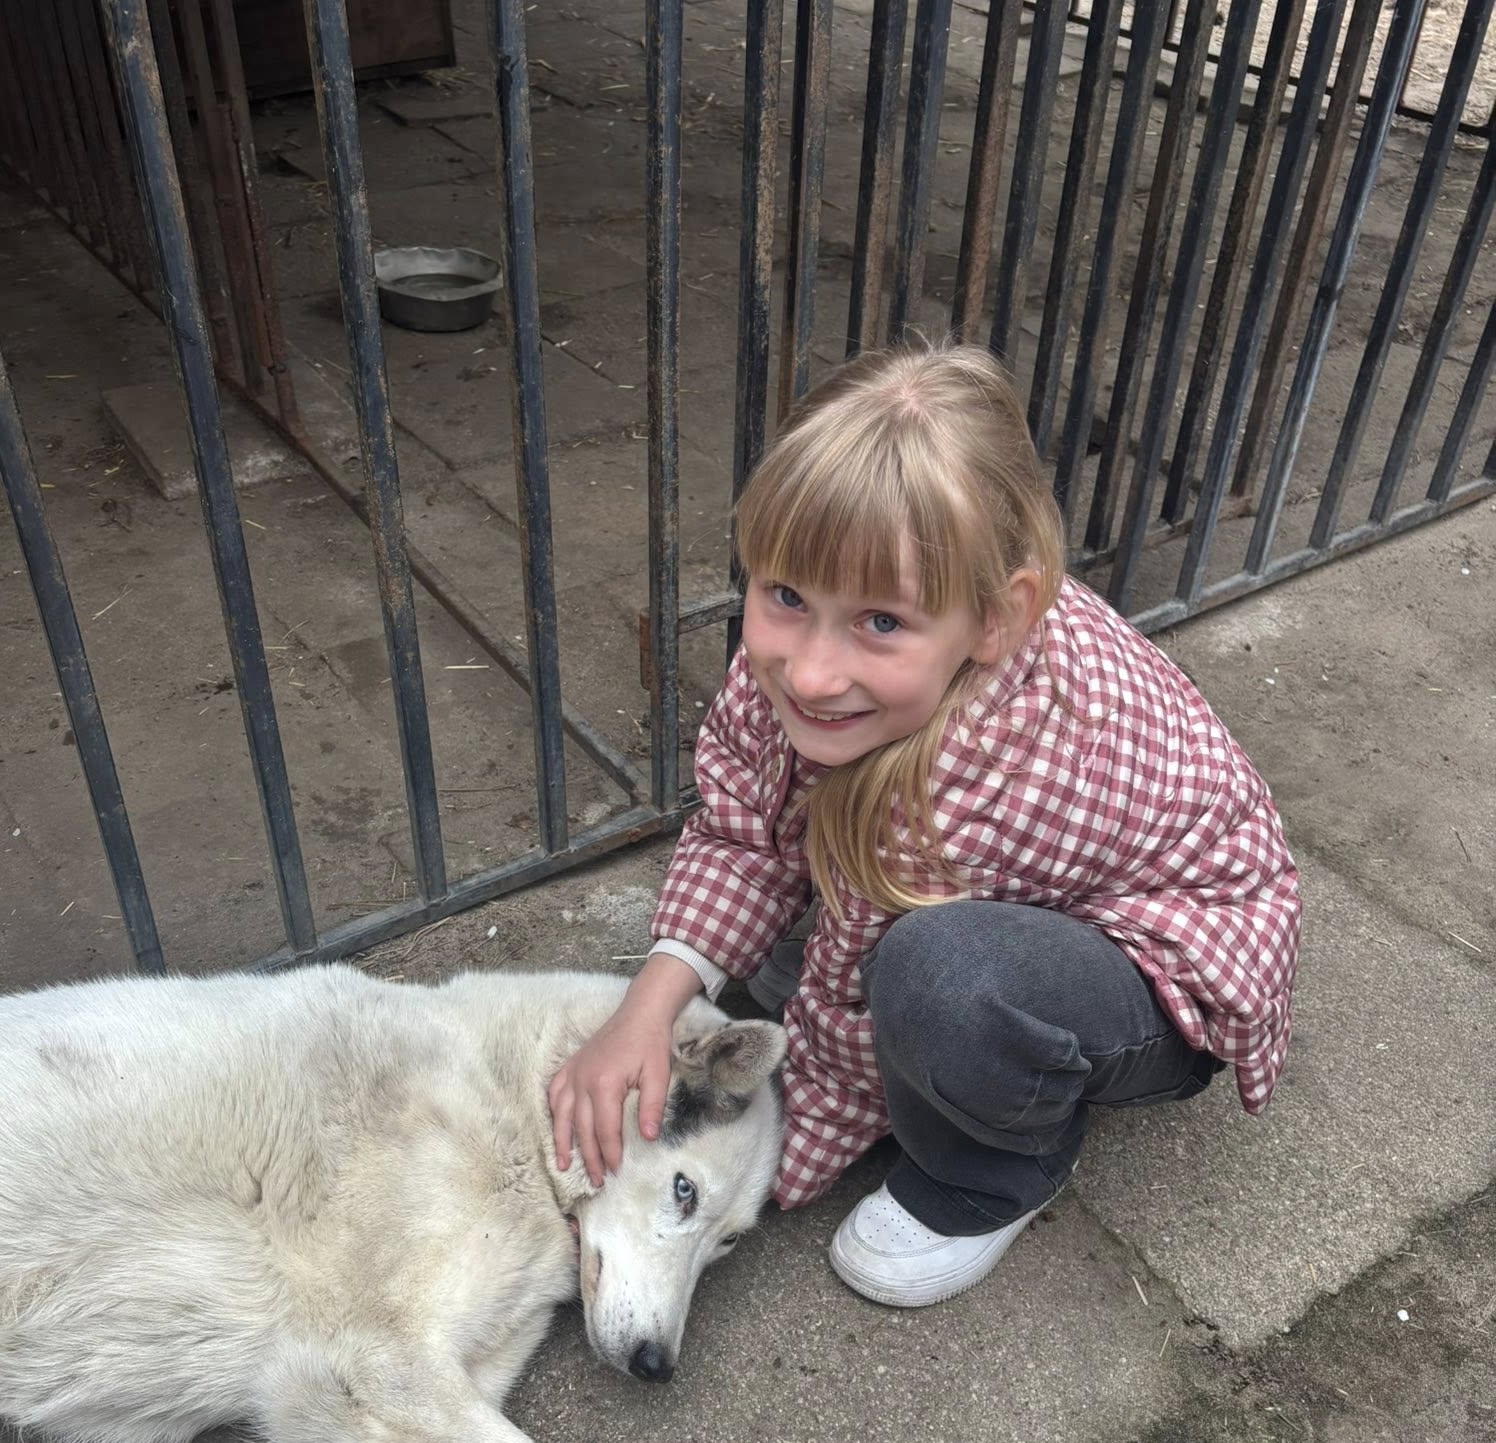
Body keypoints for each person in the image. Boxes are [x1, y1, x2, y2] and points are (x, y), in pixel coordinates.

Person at [548, 340, 1301, 1308]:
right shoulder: (855, 651)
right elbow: (742, 827)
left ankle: (997, 1169)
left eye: (881, 622)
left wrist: (759, 1162)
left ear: (997, 619)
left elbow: (845, 1033)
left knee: (935, 975)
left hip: (1170, 957)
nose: (810, 670)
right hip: (990, 877)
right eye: (785, 595)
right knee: (800, 957)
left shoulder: (973, 782)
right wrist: (643, 1013)